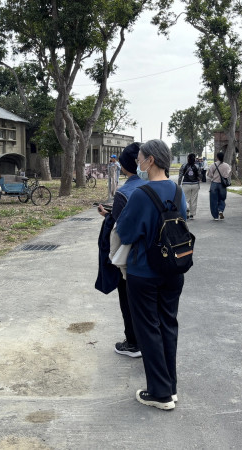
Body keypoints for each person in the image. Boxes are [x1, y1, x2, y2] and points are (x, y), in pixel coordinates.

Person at [116, 139, 187, 411]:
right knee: (168, 325)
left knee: (148, 330)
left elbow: (126, 232)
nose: (138, 162)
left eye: (141, 158)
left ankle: (159, 393)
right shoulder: (177, 191)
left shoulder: (140, 194)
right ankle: (170, 387)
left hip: (143, 271)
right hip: (173, 268)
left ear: (151, 161)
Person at [95, 142, 145, 359]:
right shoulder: (160, 186)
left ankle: (133, 342)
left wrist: (108, 216)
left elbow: (120, 229)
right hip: (156, 256)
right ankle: (147, 341)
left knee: (128, 299)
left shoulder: (124, 192)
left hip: (130, 258)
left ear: (125, 166)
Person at [206, 151, 232, 221]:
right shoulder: (227, 165)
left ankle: (215, 216)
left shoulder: (213, 165)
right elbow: (228, 174)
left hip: (214, 184)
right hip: (222, 185)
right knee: (222, 199)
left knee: (213, 200)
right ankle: (220, 210)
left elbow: (209, 175)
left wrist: (214, 176)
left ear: (217, 157)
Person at [177, 153, 201, 219]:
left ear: (188, 158)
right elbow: (200, 176)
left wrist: (179, 184)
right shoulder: (197, 166)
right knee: (193, 199)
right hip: (195, 184)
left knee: (186, 199)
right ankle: (192, 214)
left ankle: (186, 212)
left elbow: (180, 176)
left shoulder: (183, 166)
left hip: (186, 184)